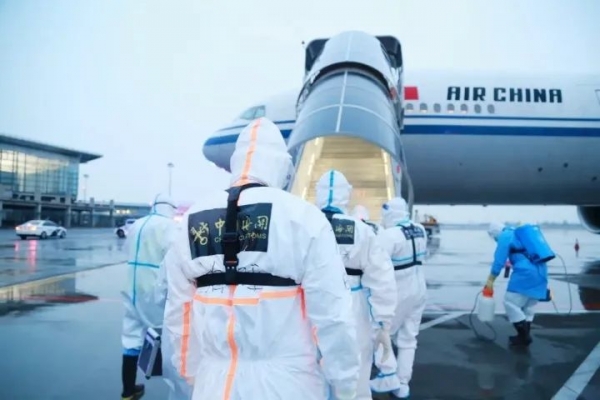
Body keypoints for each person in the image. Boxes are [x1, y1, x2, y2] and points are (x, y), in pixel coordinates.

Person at [163, 117, 360, 400]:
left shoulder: (191, 220)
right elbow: (333, 316)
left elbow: (179, 314)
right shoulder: (303, 218)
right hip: (288, 385)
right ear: (281, 165)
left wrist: (193, 373)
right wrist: (346, 384)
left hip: (213, 384)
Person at [315, 171, 397, 400]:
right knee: (356, 374)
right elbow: (382, 278)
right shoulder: (361, 230)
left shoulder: (304, 225)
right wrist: (383, 323)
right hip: (352, 305)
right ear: (346, 195)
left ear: (318, 193)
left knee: (311, 375)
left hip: (310, 304)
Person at [120, 193, 184, 400]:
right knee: (170, 340)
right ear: (171, 208)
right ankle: (177, 391)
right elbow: (178, 258)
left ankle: (128, 391)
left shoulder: (136, 225)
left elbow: (126, 250)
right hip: (154, 288)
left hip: (131, 286)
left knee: (131, 338)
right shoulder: (170, 227)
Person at [371, 197, 428, 400]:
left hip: (398, 289)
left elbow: (375, 264)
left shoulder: (390, 235)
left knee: (380, 333)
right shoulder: (420, 229)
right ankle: (403, 384)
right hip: (419, 287)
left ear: (390, 213)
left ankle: (387, 374)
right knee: (408, 338)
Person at [485, 222, 550, 347]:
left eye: (494, 237)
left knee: (510, 302)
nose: (495, 240)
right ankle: (523, 336)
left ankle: (524, 337)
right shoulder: (518, 234)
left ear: (495, 233)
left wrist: (490, 280)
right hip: (541, 271)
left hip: (526, 273)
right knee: (529, 305)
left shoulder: (505, 236)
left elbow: (499, 260)